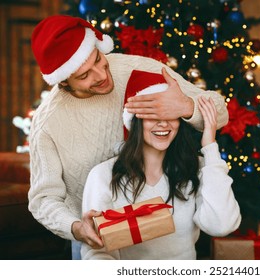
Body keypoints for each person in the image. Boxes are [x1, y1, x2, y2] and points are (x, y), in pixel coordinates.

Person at [27, 15, 228, 259]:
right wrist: (76, 228)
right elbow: (43, 199)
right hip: (95, 238)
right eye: (83, 76)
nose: (100, 75)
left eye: (98, 60)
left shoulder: (140, 69)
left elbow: (220, 110)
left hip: (168, 231)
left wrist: (186, 106)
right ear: (63, 82)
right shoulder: (48, 123)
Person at [81, 71, 241, 259]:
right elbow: (97, 252)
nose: (163, 124)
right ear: (136, 120)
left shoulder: (197, 168)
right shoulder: (103, 175)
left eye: (170, 114)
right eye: (153, 115)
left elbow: (222, 225)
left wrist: (210, 148)